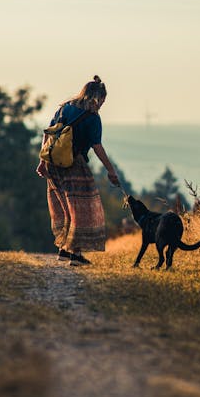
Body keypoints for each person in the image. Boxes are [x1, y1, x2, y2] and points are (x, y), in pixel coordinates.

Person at [36, 75, 121, 266]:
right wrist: (111, 170)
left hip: (53, 164)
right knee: (81, 208)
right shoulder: (92, 118)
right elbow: (97, 147)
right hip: (74, 164)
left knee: (64, 207)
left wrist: (42, 161)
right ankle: (76, 255)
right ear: (97, 98)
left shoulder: (65, 107)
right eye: (102, 101)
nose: (102, 105)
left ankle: (64, 250)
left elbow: (48, 133)